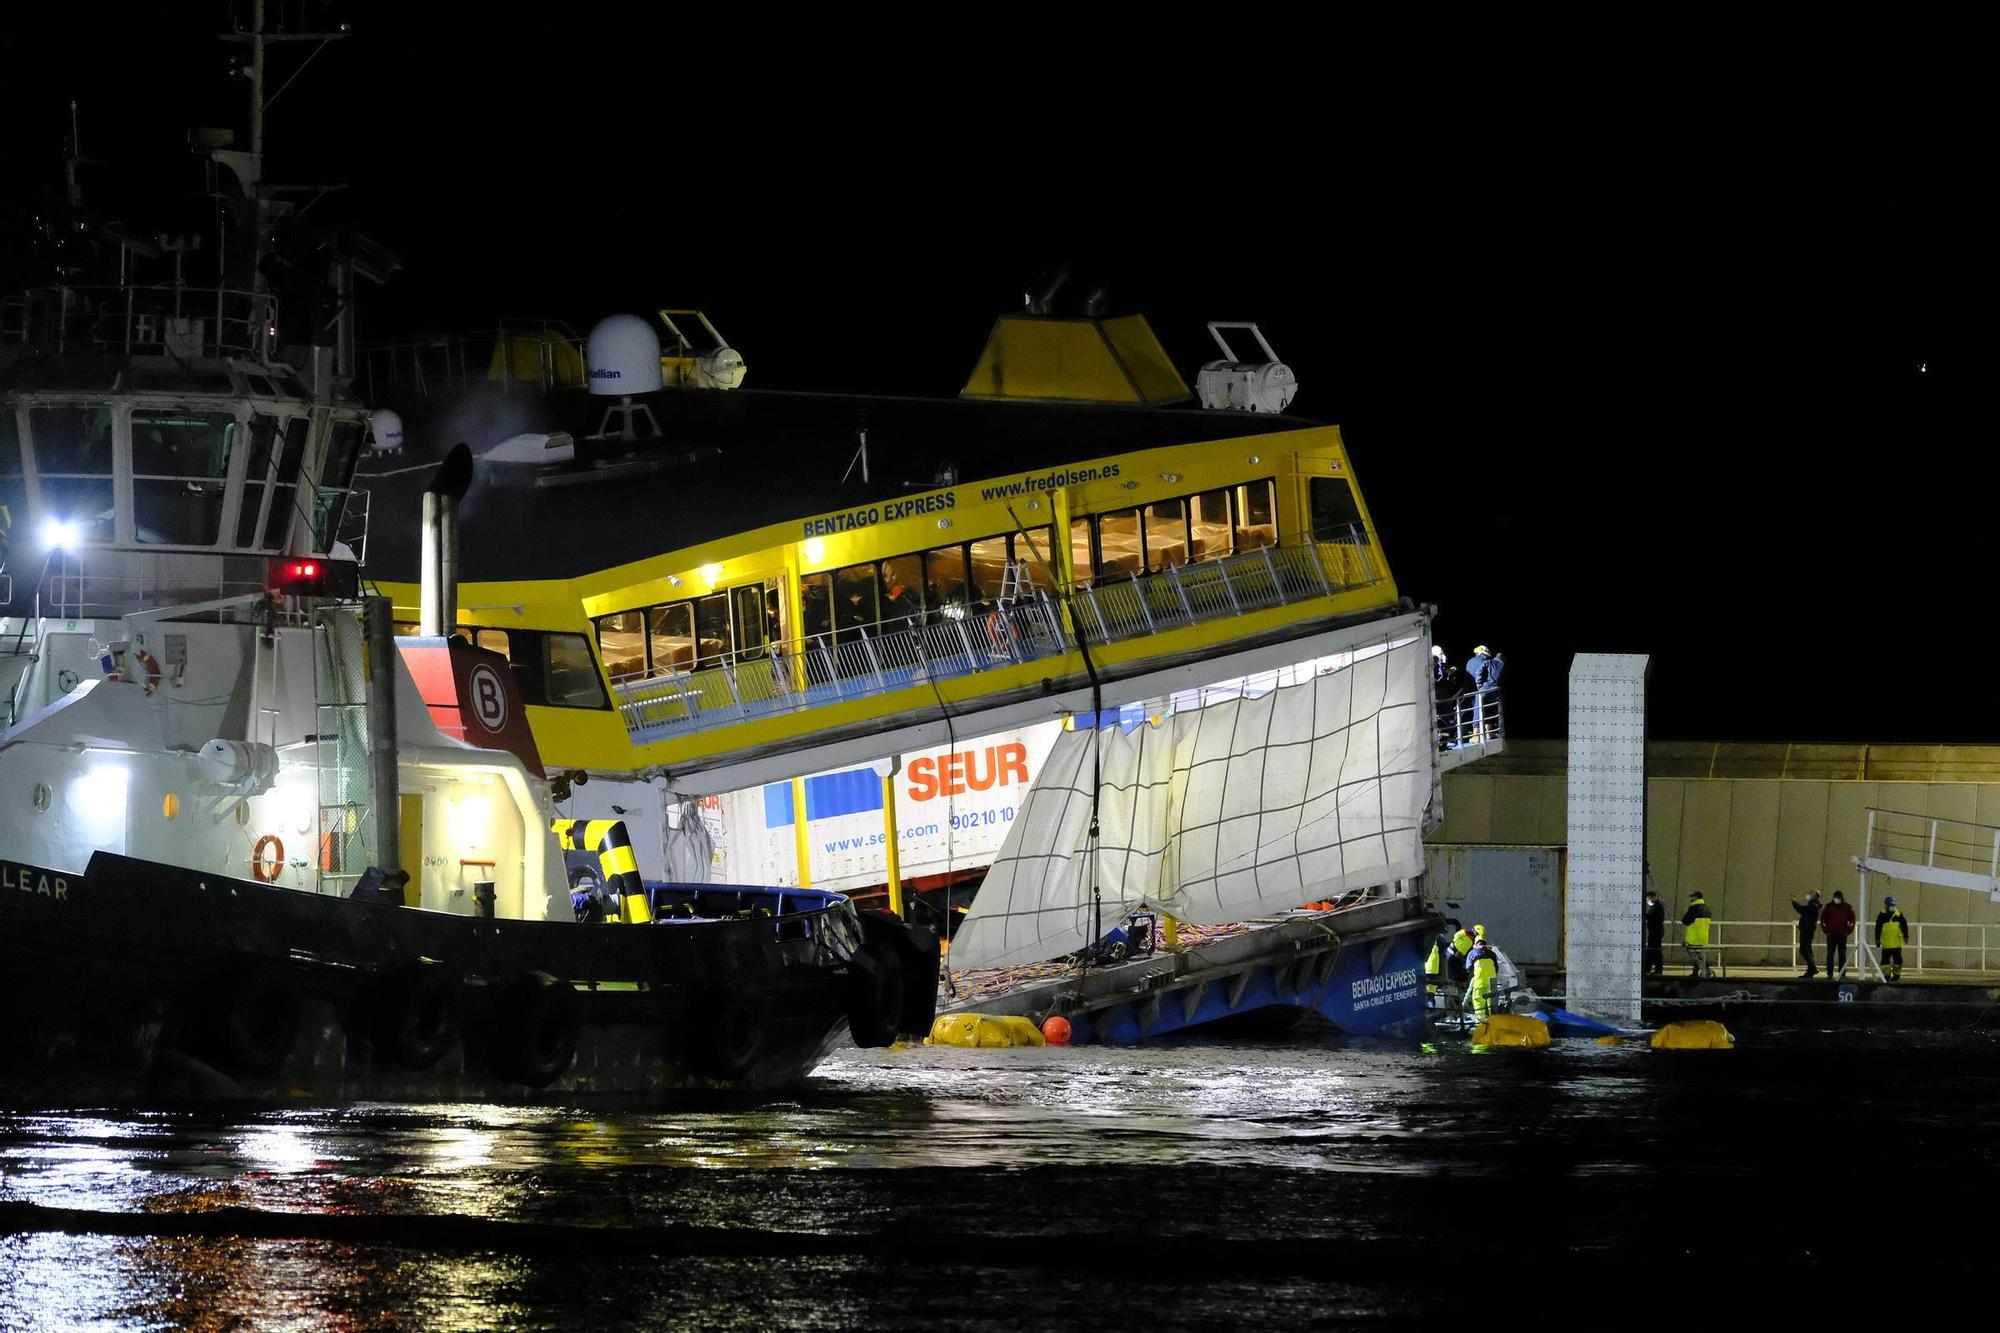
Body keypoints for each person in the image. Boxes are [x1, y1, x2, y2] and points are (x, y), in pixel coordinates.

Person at [1821, 889, 1856, 979]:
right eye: (1835, 897)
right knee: (1830, 955)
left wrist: (1847, 931)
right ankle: (1830, 974)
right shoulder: (1828, 907)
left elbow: (1852, 920)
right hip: (1832, 935)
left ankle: (1842, 974)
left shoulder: (1847, 908)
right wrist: (1826, 931)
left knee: (1842, 956)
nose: (1836, 899)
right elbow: (1823, 919)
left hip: (1841, 935)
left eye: (1838, 898)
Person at [1465, 929, 1500, 1021]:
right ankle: (1493, 1020)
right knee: (1491, 1001)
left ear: (1476, 944)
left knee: (1478, 1000)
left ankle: (1480, 1021)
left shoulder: (1473, 953)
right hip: (1491, 982)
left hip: (1479, 982)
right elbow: (1496, 968)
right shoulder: (1492, 954)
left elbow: (1468, 968)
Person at [1875, 895, 1910, 982]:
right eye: (1891, 905)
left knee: (1898, 960)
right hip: (1886, 943)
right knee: (1885, 962)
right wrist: (1877, 939)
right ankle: (1886, 976)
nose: (1893, 907)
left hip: (1897, 942)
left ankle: (1896, 975)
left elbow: (1904, 926)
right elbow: (1878, 928)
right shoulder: (1881, 916)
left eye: (1893, 905)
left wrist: (1906, 936)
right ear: (1886, 906)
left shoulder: (1898, 914)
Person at [1463, 645, 1495, 740]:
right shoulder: (1484, 662)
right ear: (1482, 654)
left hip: (1469, 691)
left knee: (1477, 711)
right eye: (1485, 654)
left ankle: (1479, 735)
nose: (1487, 656)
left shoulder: (1470, 661)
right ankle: (1480, 735)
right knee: (1483, 711)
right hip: (1480, 691)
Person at [1790, 889, 1822, 978]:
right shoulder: (1814, 905)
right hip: (1808, 929)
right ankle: (1810, 970)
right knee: (1808, 950)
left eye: (1810, 894)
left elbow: (1801, 909)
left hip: (1807, 929)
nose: (1808, 895)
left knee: (1803, 949)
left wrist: (1794, 902)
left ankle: (1813, 967)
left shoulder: (1813, 906)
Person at [1683, 890, 1713, 978]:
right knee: (1699, 954)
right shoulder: (1707, 909)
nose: (1691, 899)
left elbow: (1685, 921)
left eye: (1692, 897)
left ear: (1696, 897)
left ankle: (1706, 965)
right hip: (1704, 936)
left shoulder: (1693, 908)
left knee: (1694, 955)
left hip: (1693, 937)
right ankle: (1696, 972)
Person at [1643, 887, 1666, 977]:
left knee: (1653, 950)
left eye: (1648, 899)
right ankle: (1653, 968)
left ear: (1652, 897)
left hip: (1656, 932)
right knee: (1654, 950)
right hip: (1655, 931)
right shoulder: (1656, 906)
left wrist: (1647, 916)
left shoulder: (1657, 907)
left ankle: (1653, 968)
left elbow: (1658, 918)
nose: (1647, 901)